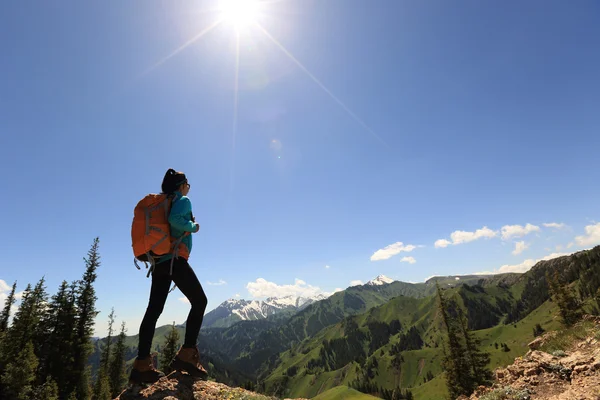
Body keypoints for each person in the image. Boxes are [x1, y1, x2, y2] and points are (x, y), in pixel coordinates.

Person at [129, 168, 209, 384]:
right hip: (175, 259)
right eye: (187, 185)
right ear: (182, 185)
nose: (188, 189)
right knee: (200, 301)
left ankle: (141, 365)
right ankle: (187, 355)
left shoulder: (161, 203)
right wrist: (194, 226)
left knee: (153, 310)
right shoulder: (182, 200)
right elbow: (175, 220)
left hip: (159, 262)